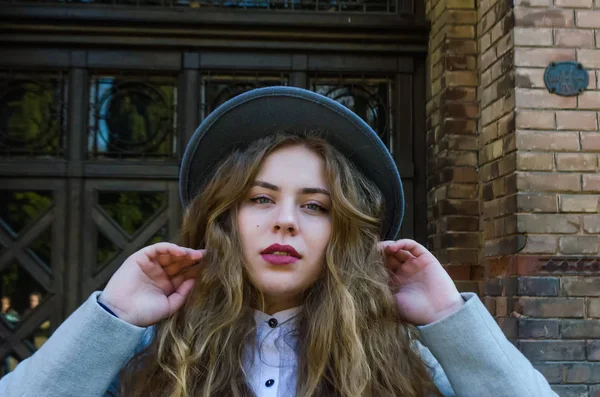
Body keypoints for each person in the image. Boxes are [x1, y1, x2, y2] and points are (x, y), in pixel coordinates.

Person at [0, 87, 557, 397]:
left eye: (315, 206)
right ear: (224, 218)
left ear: (343, 231)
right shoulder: (148, 361)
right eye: (260, 199)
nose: (286, 221)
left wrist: (447, 319)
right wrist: (113, 316)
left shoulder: (409, 366)